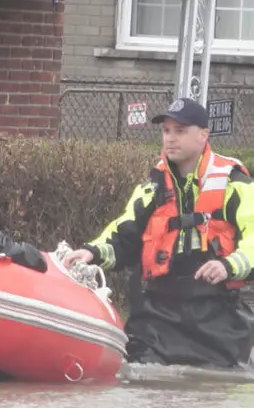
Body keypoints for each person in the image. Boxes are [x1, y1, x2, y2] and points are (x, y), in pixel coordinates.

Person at [63, 97, 254, 368]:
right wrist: (92, 252)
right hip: (156, 319)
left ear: (203, 135)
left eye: (180, 131)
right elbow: (122, 234)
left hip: (217, 319)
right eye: (166, 131)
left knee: (215, 393)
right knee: (140, 386)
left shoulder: (236, 185)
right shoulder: (152, 188)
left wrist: (228, 265)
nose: (170, 139)